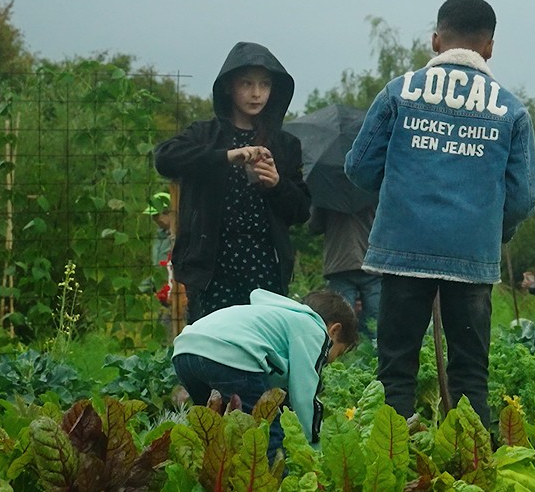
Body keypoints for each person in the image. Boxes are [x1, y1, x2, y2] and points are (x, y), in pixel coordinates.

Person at [346, 0, 535, 422]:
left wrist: (402, 194)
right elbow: (523, 198)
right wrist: (494, 229)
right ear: (489, 47)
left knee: (394, 372)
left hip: (401, 250)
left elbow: (358, 168)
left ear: (436, 40)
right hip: (471, 256)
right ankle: (475, 471)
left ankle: (389, 465)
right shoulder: (511, 110)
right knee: (471, 374)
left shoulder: (399, 92)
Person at [154, 42, 311, 325]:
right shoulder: (205, 134)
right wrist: (227, 157)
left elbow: (301, 211)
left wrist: (276, 183)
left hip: (265, 266)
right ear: (229, 87)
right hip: (212, 267)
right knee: (214, 347)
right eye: (247, 83)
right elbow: (164, 159)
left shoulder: (285, 144)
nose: (256, 93)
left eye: (264, 85)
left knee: (261, 347)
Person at [172, 289, 358, 453]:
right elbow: (304, 396)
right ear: (334, 331)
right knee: (266, 433)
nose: (332, 361)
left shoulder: (278, 316)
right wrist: (313, 446)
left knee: (213, 432)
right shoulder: (315, 330)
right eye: (338, 352)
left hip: (185, 349)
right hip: (231, 355)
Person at [308, 203, 380, 343]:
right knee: (376, 319)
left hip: (339, 262)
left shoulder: (329, 194)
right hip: (371, 261)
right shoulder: (372, 192)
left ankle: (342, 353)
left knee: (341, 319)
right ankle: (376, 355)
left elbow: (314, 226)